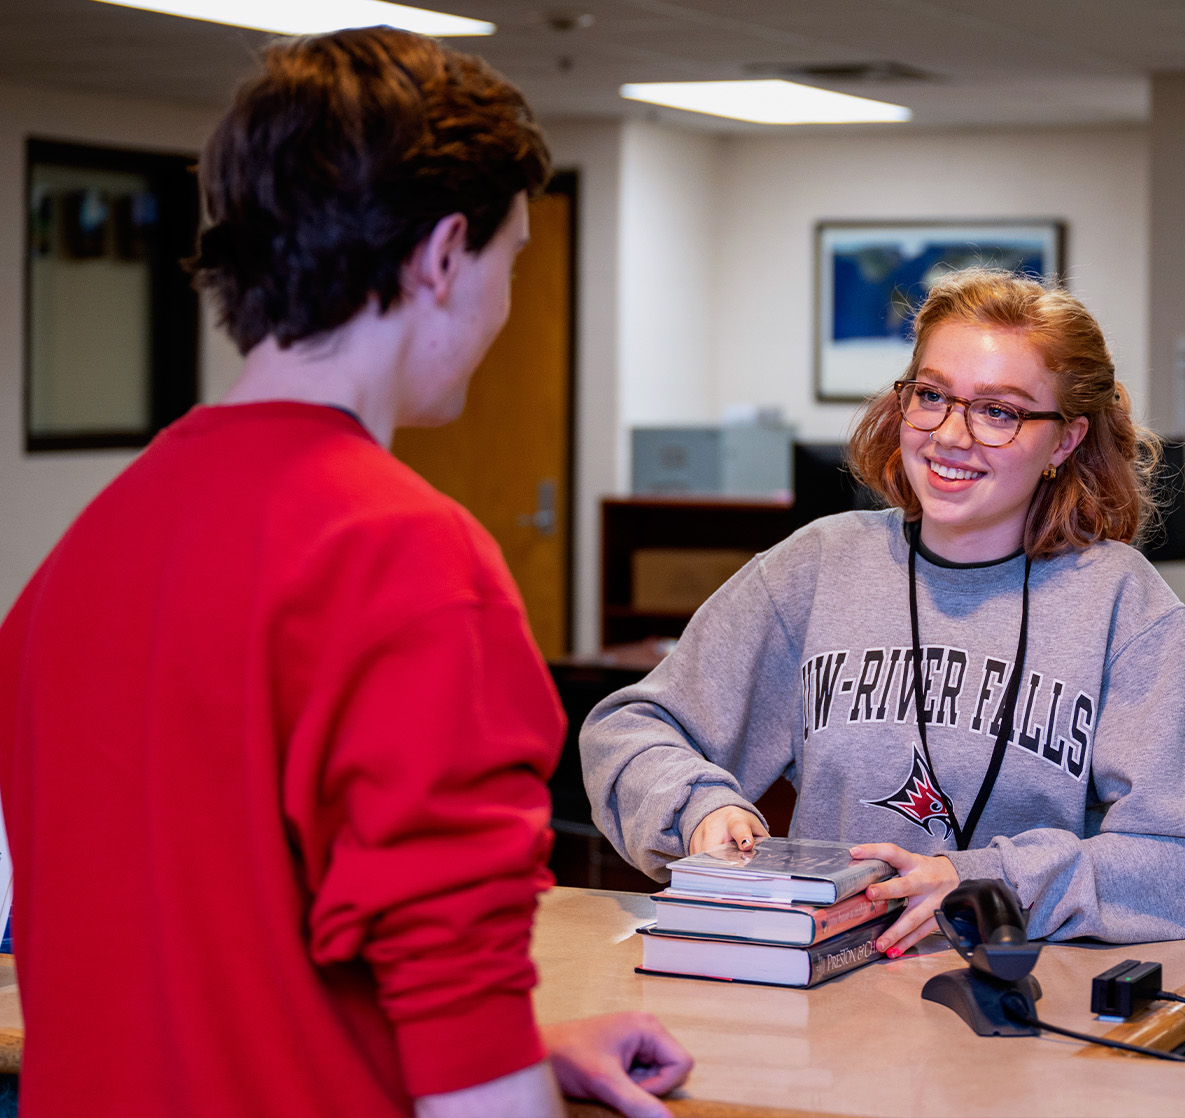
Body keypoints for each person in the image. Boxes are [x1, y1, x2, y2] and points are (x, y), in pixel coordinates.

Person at [0, 27, 690, 1118]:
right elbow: (470, 1065)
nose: (503, 308)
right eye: (510, 259)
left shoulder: (80, 557)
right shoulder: (409, 558)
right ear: (441, 255)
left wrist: (532, 1039)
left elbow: (216, 956)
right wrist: (502, 1065)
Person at [581, 268, 1185, 951]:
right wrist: (700, 805)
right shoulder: (818, 567)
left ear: (1065, 441)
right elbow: (628, 730)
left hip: (1021, 1006)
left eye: (999, 411)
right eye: (932, 396)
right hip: (828, 999)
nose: (951, 435)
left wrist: (985, 884)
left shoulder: (1120, 603)